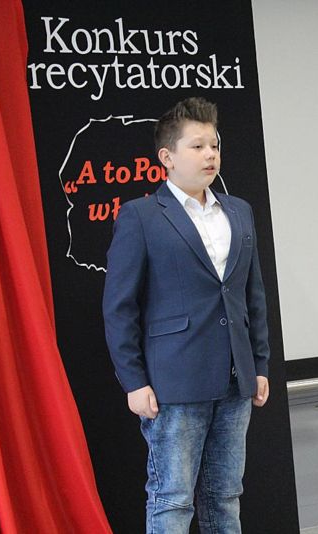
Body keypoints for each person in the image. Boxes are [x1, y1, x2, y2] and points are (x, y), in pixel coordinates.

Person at [103, 96, 270, 533]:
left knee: (225, 496)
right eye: (197, 146)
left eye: (214, 145)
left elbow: (252, 294)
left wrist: (260, 364)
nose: (210, 154)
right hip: (174, 383)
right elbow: (119, 308)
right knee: (172, 499)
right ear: (167, 157)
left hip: (235, 379)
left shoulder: (239, 211)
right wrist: (134, 381)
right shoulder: (140, 217)